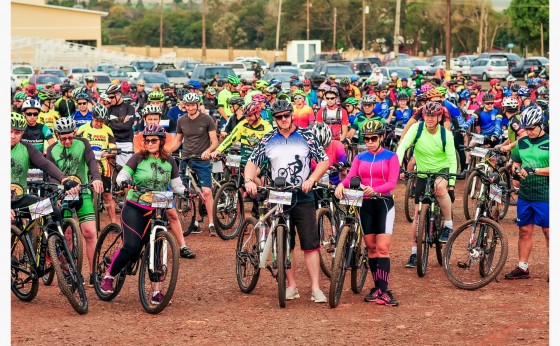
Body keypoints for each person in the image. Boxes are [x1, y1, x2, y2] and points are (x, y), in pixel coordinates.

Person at [244, 99, 330, 303]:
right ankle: (291, 286)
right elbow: (251, 162)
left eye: (286, 115)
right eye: (278, 117)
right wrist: (248, 179)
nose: (283, 120)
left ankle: (316, 288)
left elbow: (324, 161)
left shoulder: (307, 136)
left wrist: (312, 179)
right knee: (285, 243)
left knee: (310, 244)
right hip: (278, 195)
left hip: (303, 195)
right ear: (274, 119)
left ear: (292, 114)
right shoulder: (267, 139)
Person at [99, 125, 190, 302]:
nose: (150, 143)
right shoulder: (138, 157)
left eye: (153, 140)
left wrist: (185, 191)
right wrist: (124, 182)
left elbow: (177, 185)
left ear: (161, 141)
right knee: (132, 247)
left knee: (156, 249)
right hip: (135, 206)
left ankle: (156, 291)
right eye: (147, 140)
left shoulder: (170, 161)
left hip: (158, 208)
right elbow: (122, 175)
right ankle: (109, 276)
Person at [335, 120, 400, 306]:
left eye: (373, 138)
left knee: (383, 249)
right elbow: (350, 177)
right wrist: (341, 184)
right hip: (365, 204)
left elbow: (392, 183)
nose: (370, 142)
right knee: (371, 249)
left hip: (383, 204)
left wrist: (376, 189)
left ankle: (384, 290)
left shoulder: (391, 157)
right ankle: (377, 287)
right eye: (367, 139)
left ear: (381, 138)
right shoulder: (360, 157)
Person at [396, 102, 457, 268]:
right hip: (422, 172)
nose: (429, 119)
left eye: (433, 116)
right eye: (427, 115)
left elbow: (452, 160)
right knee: (417, 214)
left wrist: (451, 184)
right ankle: (415, 253)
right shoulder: (417, 128)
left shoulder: (446, 134)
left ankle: (448, 224)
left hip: (442, 169)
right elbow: (402, 146)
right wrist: (396, 166)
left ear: (439, 117)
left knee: (439, 188)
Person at [132, 105, 196, 259]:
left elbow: (165, 153)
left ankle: (182, 246)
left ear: (160, 119)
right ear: (144, 120)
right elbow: (141, 156)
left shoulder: (167, 136)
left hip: (161, 181)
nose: (153, 121)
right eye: (150, 119)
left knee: (172, 214)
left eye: (155, 118)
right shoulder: (138, 137)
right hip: (144, 183)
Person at [46, 117, 104, 286]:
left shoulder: (83, 143)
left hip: (82, 192)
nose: (68, 141)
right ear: (57, 135)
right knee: (67, 235)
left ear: (75, 133)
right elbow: (51, 173)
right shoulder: (51, 150)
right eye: (63, 138)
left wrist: (97, 178)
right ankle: (70, 271)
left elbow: (92, 162)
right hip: (62, 194)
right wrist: (57, 189)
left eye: (71, 137)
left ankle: (94, 273)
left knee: (90, 233)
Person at [503, 106, 549, 280]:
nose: (528, 131)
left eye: (531, 128)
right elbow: (516, 163)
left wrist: (533, 170)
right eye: (526, 128)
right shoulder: (521, 143)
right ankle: (523, 267)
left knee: (548, 232)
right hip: (525, 193)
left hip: (546, 193)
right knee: (524, 230)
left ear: (540, 124)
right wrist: (516, 172)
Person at [11, 112, 78, 224]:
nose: (12, 136)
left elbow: (45, 164)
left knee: (53, 212)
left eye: (17, 133)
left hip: (20, 201)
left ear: (22, 133)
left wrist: (64, 179)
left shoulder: (26, 148)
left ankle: (52, 241)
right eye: (9, 131)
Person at [170, 92, 219, 236]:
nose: (190, 108)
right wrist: (166, 151)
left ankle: (211, 223)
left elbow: (214, 141)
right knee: (187, 193)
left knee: (207, 192)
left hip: (201, 160)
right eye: (188, 105)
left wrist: (208, 151)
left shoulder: (207, 119)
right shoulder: (181, 120)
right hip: (185, 159)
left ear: (198, 105)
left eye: (193, 105)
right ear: (184, 106)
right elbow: (178, 141)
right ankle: (194, 222)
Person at [76, 103, 119, 225]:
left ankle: (114, 223)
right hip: (85, 163)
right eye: (97, 120)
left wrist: (105, 154)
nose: (99, 123)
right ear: (92, 117)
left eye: (102, 121)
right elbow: (76, 146)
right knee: (81, 192)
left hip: (103, 163)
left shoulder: (108, 130)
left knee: (108, 195)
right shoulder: (83, 129)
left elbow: (113, 149)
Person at [106, 84, 136, 167]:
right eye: (109, 97)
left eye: (112, 97)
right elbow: (106, 126)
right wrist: (122, 120)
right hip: (112, 142)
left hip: (126, 143)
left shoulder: (129, 108)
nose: (110, 100)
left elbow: (127, 126)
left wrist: (112, 123)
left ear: (119, 95)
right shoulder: (109, 109)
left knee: (125, 171)